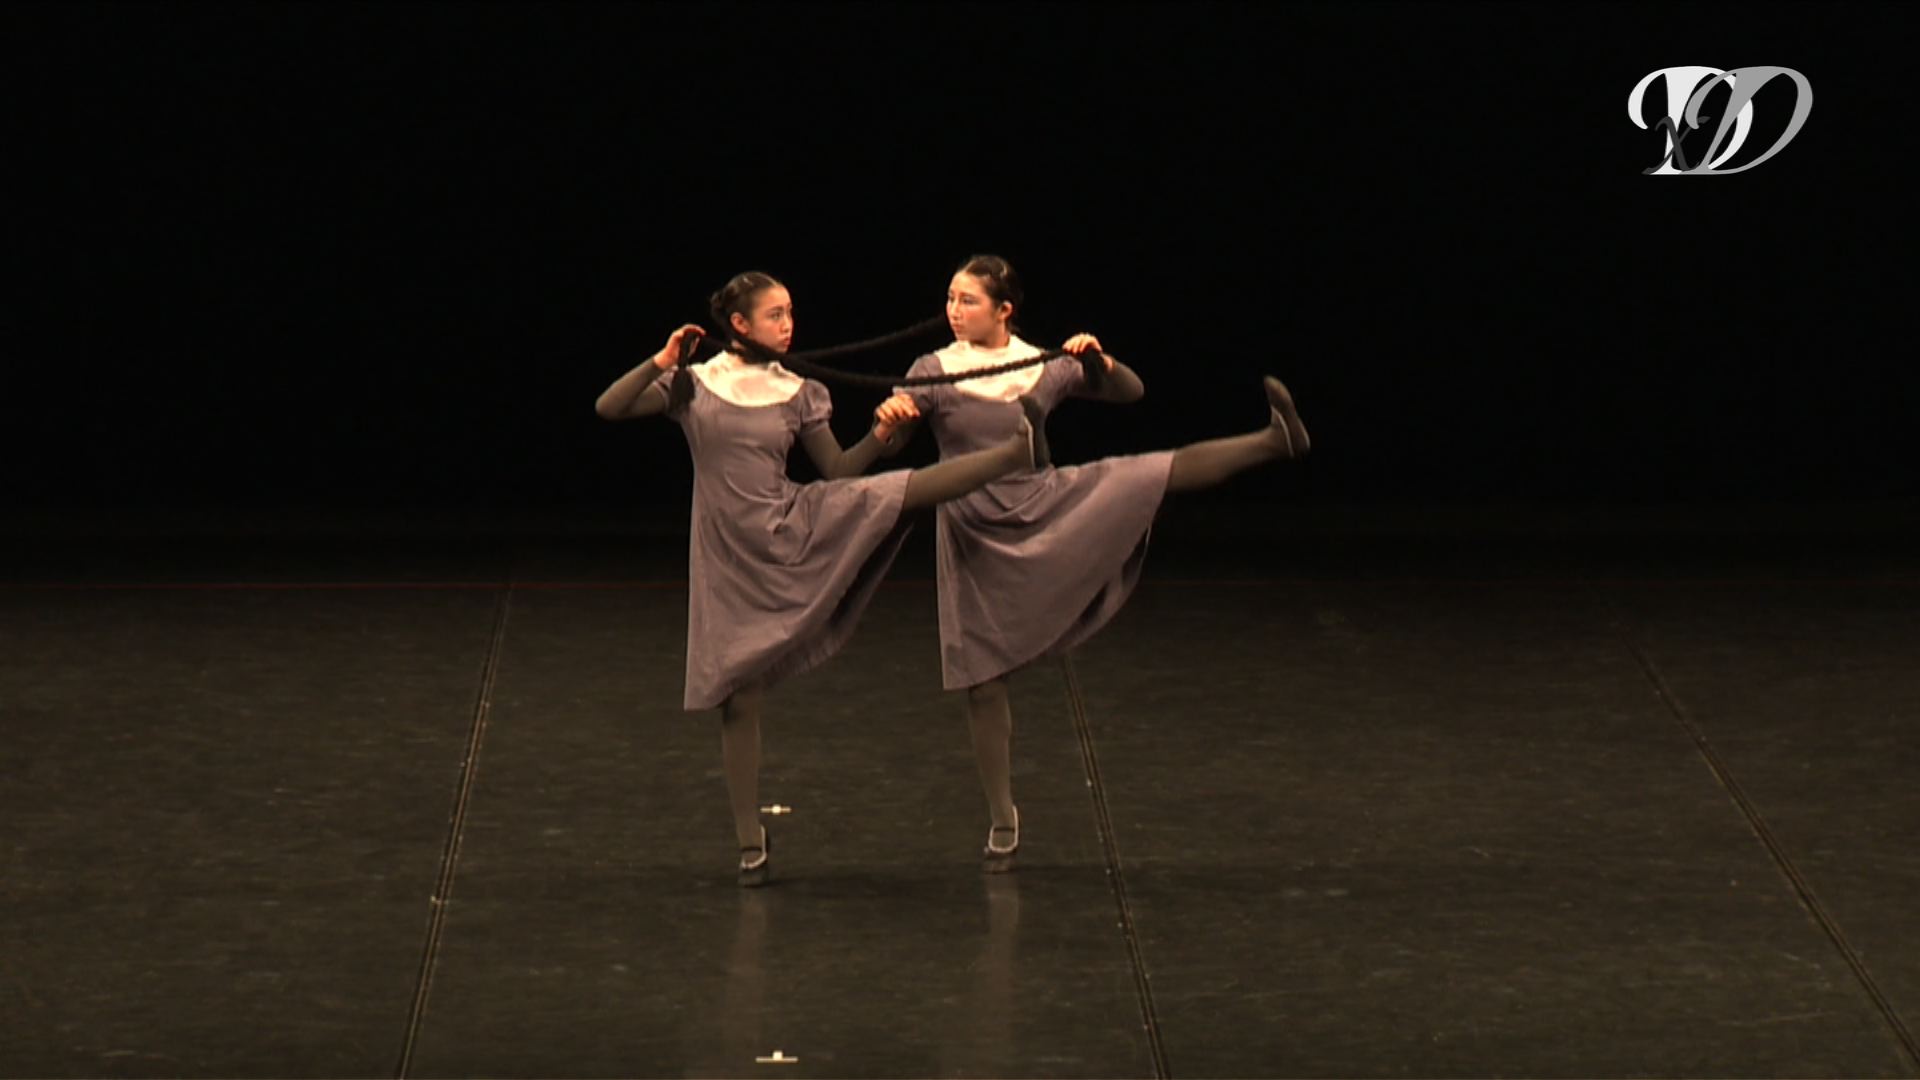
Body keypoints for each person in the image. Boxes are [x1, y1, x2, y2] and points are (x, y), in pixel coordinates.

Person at [595, 270, 1048, 884]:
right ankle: (749, 841)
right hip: (729, 555)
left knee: (894, 492)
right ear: (740, 324)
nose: (789, 325)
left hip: (790, 527)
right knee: (738, 694)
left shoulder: (799, 390)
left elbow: (838, 470)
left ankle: (1011, 456)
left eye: (790, 312)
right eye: (775, 315)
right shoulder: (694, 385)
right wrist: (662, 359)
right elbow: (610, 406)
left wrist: (880, 436)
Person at [874, 254, 1311, 870]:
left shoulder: (1043, 364)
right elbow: (893, 434)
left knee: (1148, 473)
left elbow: (1131, 391)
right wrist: (891, 419)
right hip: (973, 527)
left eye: (968, 300)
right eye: (950, 298)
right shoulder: (933, 370)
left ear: (1004, 311)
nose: (953, 310)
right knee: (982, 681)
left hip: (1041, 504)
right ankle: (1002, 817)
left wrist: (1098, 361)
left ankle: (1273, 440)